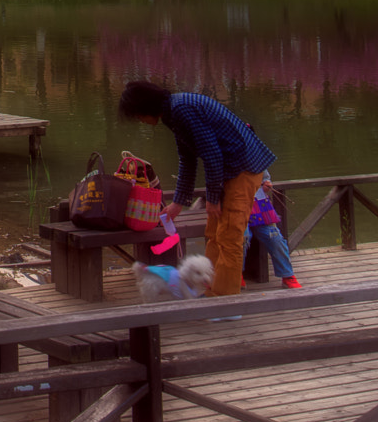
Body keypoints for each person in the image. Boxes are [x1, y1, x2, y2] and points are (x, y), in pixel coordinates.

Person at [118, 79, 276, 298]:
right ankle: (209, 291)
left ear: (146, 106)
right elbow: (188, 158)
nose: (139, 120)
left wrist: (212, 198)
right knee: (213, 233)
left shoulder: (182, 109)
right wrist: (178, 203)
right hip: (228, 170)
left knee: (230, 236)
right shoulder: (173, 113)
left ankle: (225, 301)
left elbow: (212, 155)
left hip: (243, 166)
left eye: (137, 114)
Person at [250, 178, 301, 290]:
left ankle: (287, 275)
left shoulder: (259, 162)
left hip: (260, 208)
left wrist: (267, 185)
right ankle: (234, 276)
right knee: (242, 238)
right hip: (236, 208)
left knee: (275, 237)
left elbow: (266, 180)